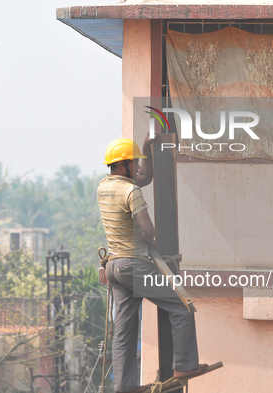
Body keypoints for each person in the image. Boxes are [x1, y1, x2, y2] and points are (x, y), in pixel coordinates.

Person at [97, 137, 207, 393]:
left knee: (123, 331)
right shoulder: (131, 191)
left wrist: (146, 149)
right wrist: (154, 239)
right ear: (123, 165)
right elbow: (147, 229)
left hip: (114, 267)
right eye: (133, 163)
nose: (137, 167)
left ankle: (124, 386)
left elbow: (144, 176)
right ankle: (184, 365)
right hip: (134, 265)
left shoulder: (105, 187)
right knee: (181, 308)